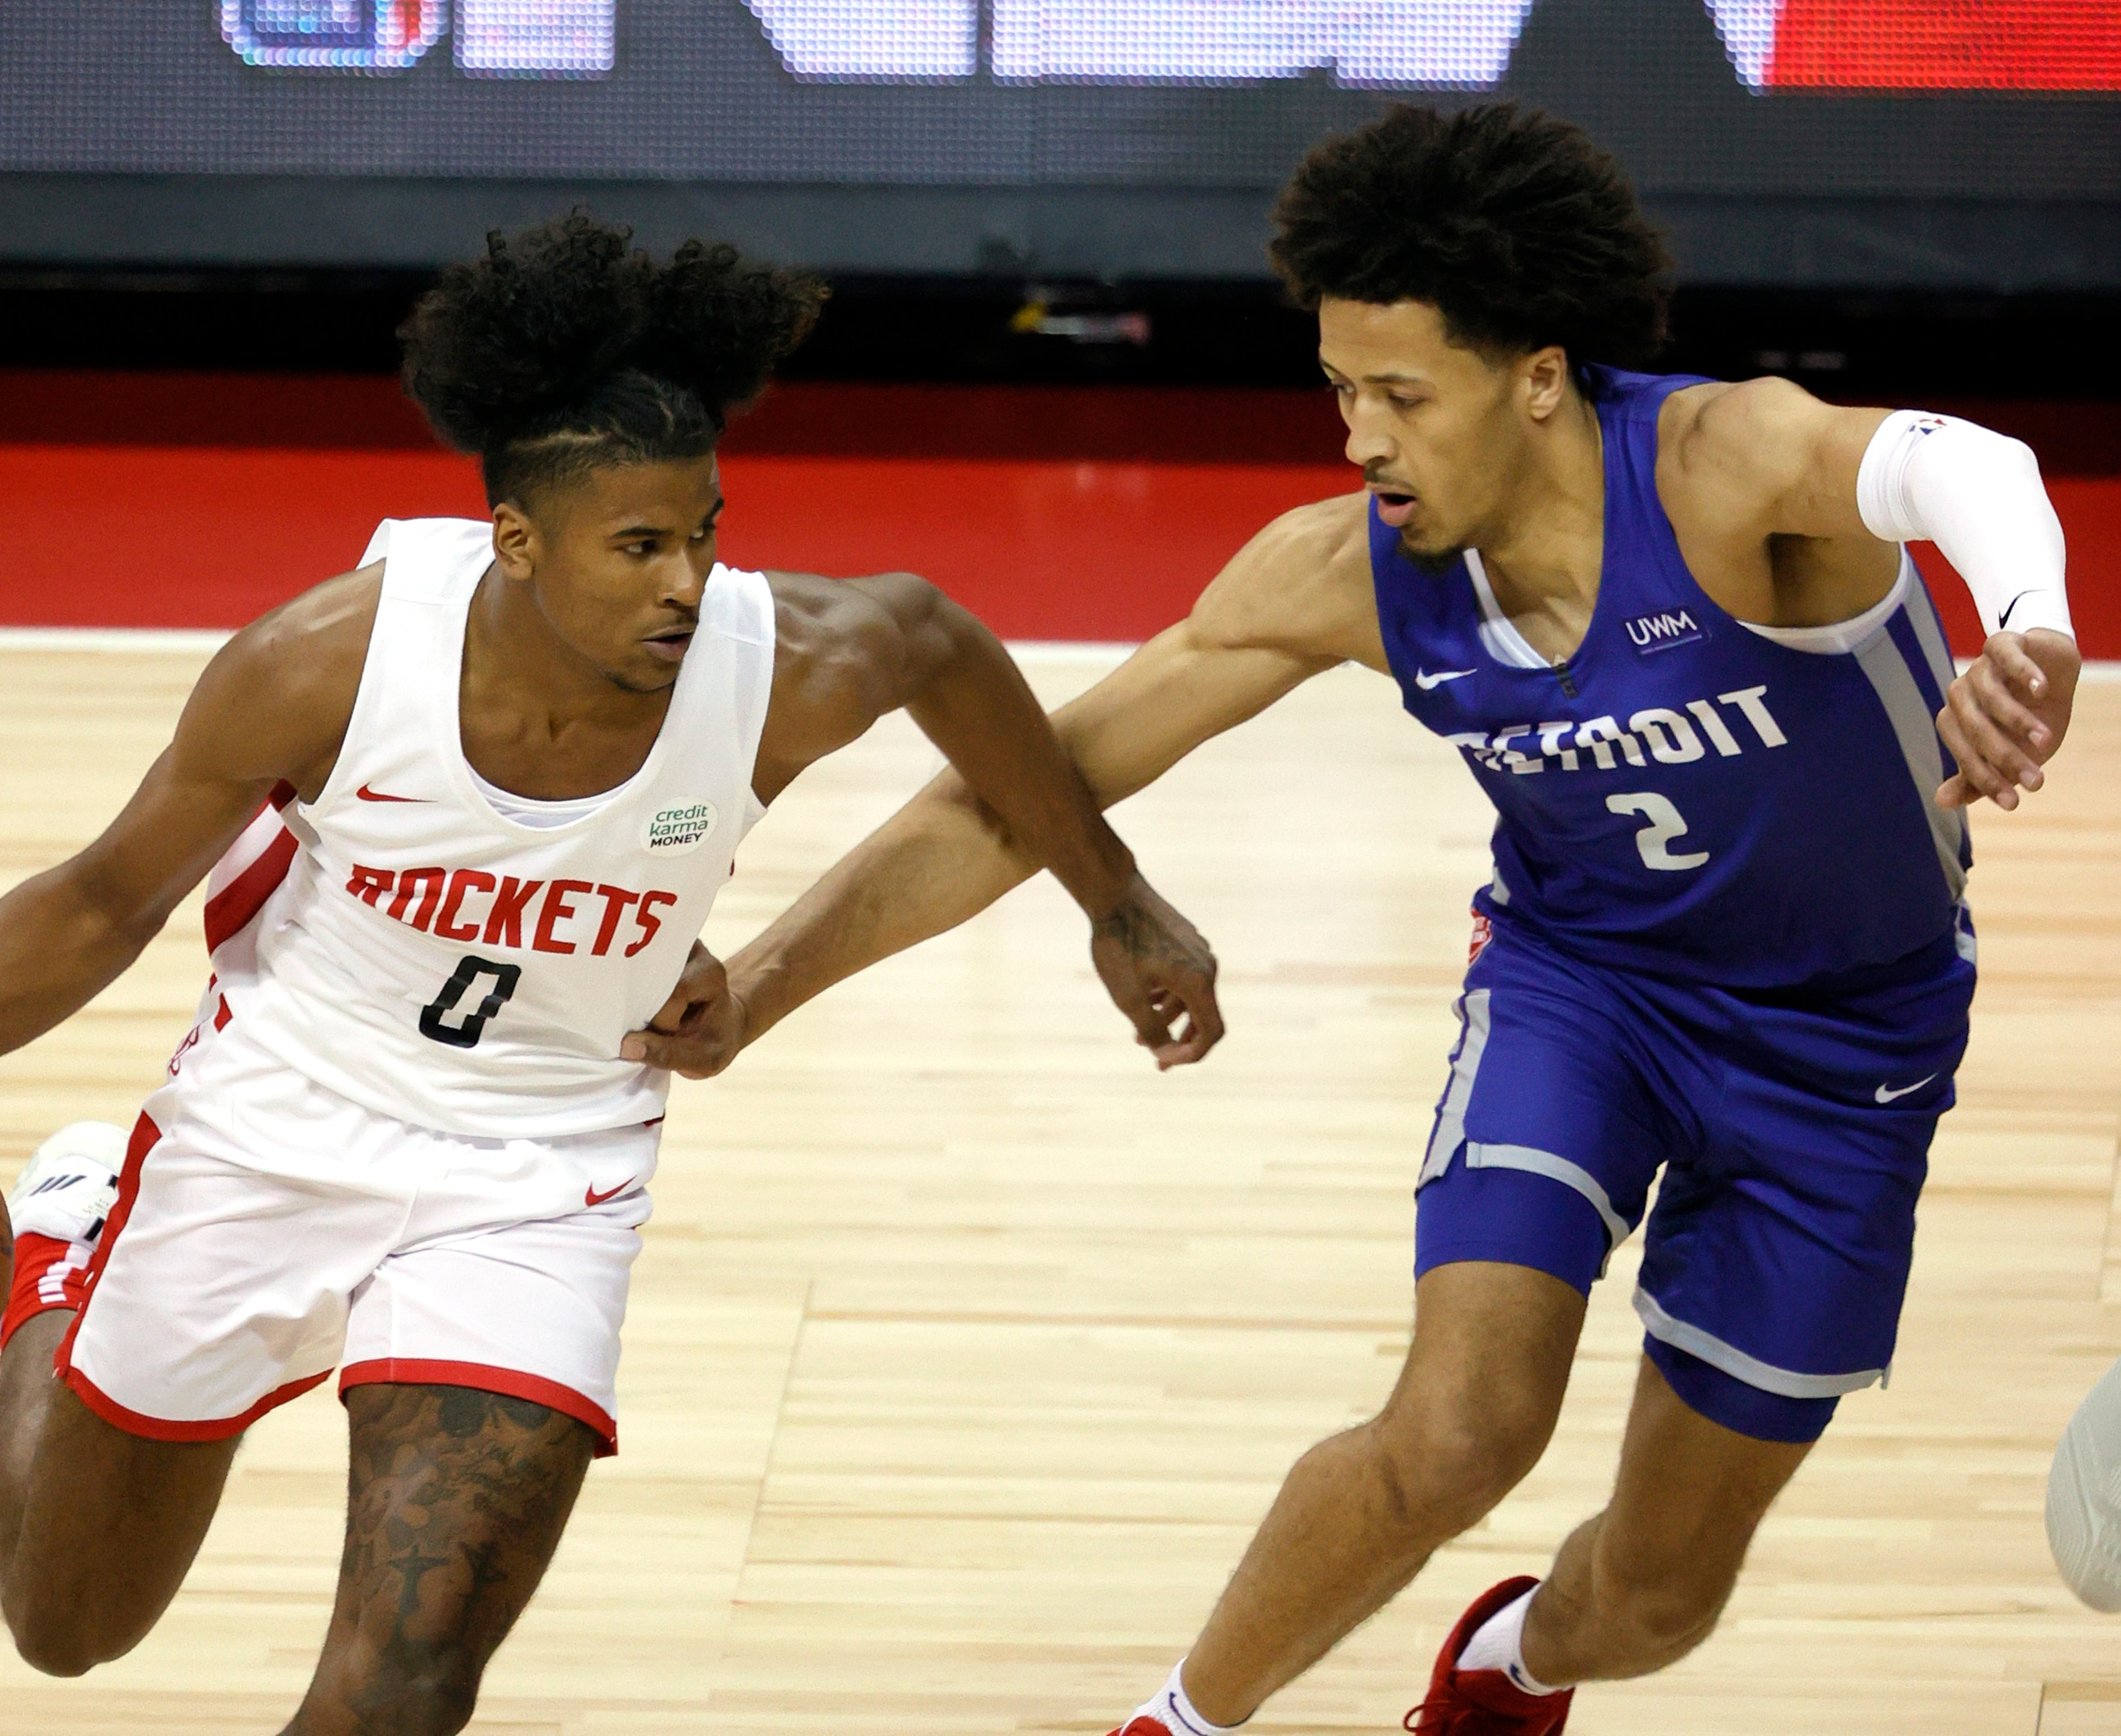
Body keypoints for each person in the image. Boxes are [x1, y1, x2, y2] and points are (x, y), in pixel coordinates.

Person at [625, 106, 2082, 1734]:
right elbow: (1014, 796)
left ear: (1535, 374)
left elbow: (1968, 467)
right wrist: (754, 990)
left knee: (1659, 1602)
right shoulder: (1342, 570)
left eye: (1400, 395)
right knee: (1458, 1432)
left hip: (1846, 1046)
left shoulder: (1717, 468)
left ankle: (1509, 1661)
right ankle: (1174, 1723)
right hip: (1580, 995)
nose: (1356, 440)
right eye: (1337, 389)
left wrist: (2024, 629)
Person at [0, 212, 1222, 1734]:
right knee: (70, 1624)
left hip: (542, 1163)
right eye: (640, 546)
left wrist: (1118, 899)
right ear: (518, 541)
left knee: (412, 1677)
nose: (687, 579)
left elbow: (945, 647)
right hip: (274, 1115)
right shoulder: (323, 666)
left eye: (706, 531)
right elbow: (99, 901)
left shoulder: (776, 665)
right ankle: (62, 1248)